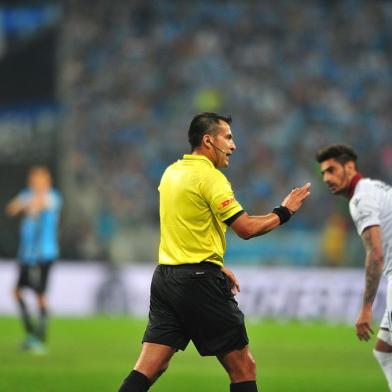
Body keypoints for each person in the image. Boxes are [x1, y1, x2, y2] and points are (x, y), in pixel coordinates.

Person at [119, 113, 311, 392]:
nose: (233, 146)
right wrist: (284, 212)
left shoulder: (171, 172)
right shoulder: (211, 178)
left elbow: (184, 228)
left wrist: (215, 264)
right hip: (199, 282)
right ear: (209, 140)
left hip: (166, 279)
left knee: (149, 367)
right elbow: (245, 228)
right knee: (244, 367)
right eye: (228, 138)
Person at [316, 144, 392, 390]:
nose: (327, 178)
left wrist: (367, 308)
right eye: (323, 173)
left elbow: (376, 253)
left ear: (349, 167)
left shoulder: (361, 199)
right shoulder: (374, 188)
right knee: (384, 350)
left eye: (331, 170)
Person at [6, 166, 62, 354]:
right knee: (17, 293)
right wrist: (27, 201)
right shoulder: (27, 195)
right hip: (27, 255)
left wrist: (32, 201)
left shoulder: (52, 197)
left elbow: (44, 205)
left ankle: (40, 338)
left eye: (40, 179)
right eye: (34, 178)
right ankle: (31, 334)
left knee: (40, 296)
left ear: (47, 181)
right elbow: (11, 209)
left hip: (43, 255)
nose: (36, 181)